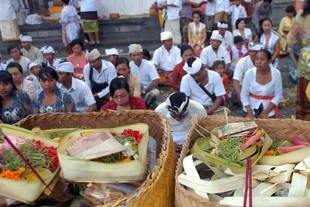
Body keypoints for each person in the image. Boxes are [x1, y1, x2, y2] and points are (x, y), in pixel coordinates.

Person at [241, 49, 282, 118]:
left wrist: (265, 112)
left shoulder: (276, 73)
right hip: (250, 109)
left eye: (262, 59)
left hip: (269, 110)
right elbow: (244, 95)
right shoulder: (249, 73)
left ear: (269, 61)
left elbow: (278, 95)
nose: (258, 62)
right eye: (256, 59)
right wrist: (250, 113)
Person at [287, 0, 310, 120]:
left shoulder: (301, 15)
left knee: (303, 98)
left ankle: (302, 127)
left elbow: (290, 41)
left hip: (305, 62)